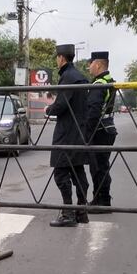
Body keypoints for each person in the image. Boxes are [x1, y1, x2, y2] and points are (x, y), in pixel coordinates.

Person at [46, 43, 89, 227]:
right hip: (80, 131)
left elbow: (61, 105)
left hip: (66, 133)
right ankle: (81, 211)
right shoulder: (81, 77)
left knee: (61, 172)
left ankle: (68, 213)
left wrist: (49, 109)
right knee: (78, 171)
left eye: (57, 57)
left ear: (61, 58)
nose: (57, 60)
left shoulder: (68, 77)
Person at [85, 51, 117, 211]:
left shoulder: (98, 84)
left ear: (97, 64)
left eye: (90, 64)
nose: (88, 67)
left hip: (99, 131)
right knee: (102, 166)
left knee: (97, 167)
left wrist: (86, 133)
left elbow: (93, 111)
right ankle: (102, 199)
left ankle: (102, 201)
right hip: (108, 128)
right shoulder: (109, 80)